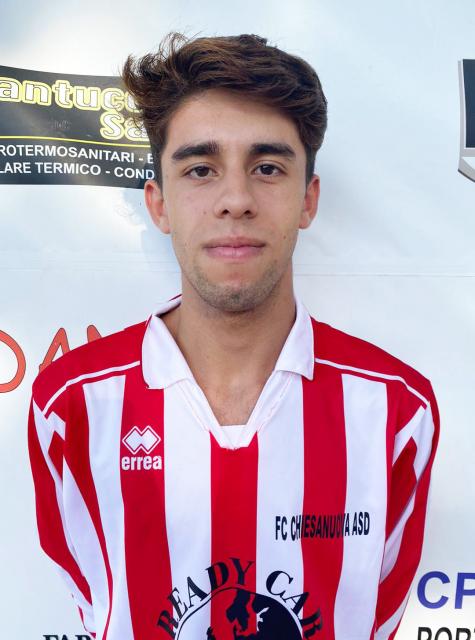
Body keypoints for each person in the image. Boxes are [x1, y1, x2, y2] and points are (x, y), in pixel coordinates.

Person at [28, 32, 440, 640]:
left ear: (308, 199)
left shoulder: (397, 411)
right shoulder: (72, 405)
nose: (236, 200)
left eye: (267, 168)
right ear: (159, 204)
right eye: (201, 169)